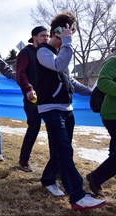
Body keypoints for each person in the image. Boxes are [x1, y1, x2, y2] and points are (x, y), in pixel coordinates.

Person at [35, 12, 106, 210]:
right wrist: (67, 42)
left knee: (61, 150)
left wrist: (92, 93)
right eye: (69, 32)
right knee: (65, 151)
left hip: (67, 109)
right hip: (51, 109)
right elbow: (59, 65)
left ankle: (48, 178)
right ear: (58, 32)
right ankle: (77, 196)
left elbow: (70, 80)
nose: (71, 36)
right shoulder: (43, 52)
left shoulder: (59, 53)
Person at [16, 26, 49, 172]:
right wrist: (29, 89)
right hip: (33, 98)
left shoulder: (48, 52)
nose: (46, 38)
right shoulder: (26, 53)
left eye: (47, 35)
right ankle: (24, 160)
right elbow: (20, 74)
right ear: (34, 37)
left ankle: (57, 165)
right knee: (34, 127)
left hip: (49, 98)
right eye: (43, 35)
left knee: (53, 130)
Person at [86, 55, 116, 197]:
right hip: (113, 114)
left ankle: (97, 178)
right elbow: (103, 82)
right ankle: (96, 177)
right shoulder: (113, 61)